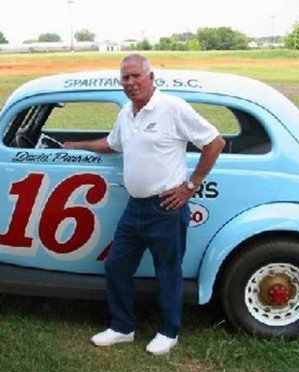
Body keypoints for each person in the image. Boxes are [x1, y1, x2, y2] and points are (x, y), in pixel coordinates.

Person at [64, 54, 225, 355]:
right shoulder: (127, 112)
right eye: (125, 77)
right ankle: (123, 326)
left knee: (167, 271)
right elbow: (113, 144)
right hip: (134, 206)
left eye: (136, 76)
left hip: (166, 207)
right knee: (116, 265)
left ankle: (169, 331)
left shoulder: (172, 108)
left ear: (151, 78)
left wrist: (191, 186)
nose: (131, 82)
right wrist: (77, 145)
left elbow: (214, 142)